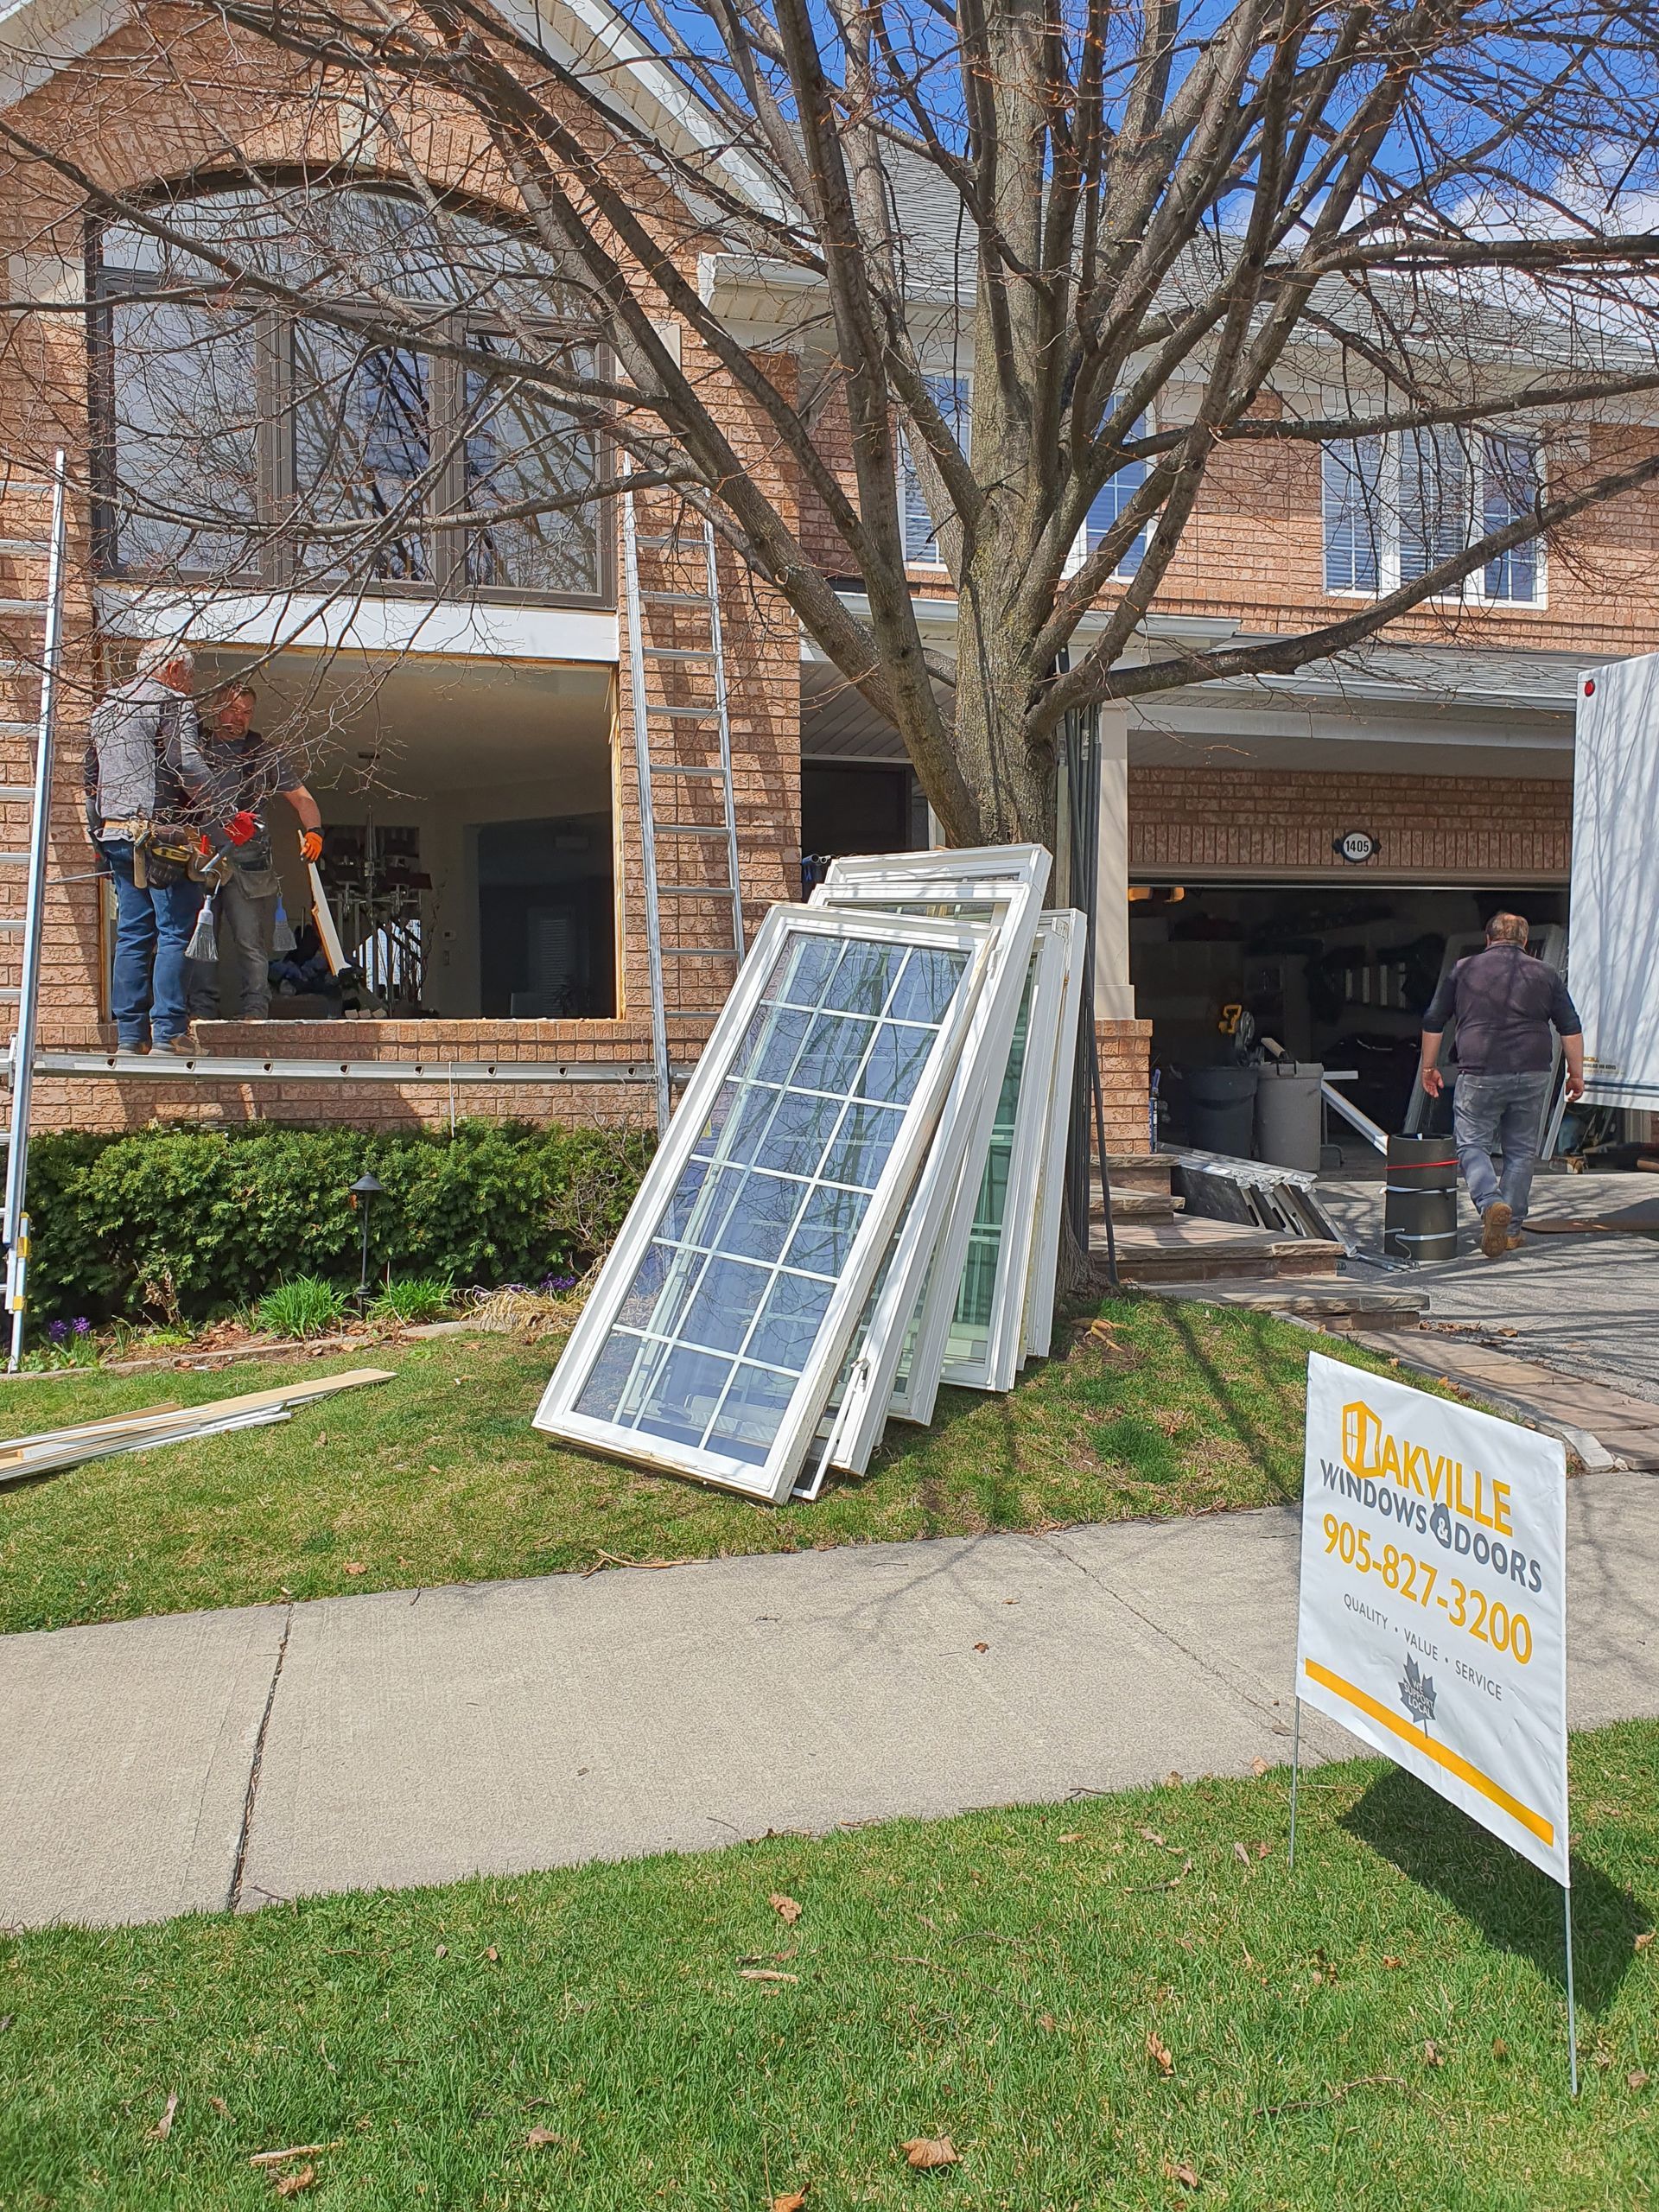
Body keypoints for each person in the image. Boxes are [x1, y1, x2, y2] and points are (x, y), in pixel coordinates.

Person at [1420, 912, 1585, 1259]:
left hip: (1480, 1071)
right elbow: (1570, 1026)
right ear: (1525, 943)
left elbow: (1435, 1019)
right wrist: (1576, 1073)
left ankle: (1490, 1203)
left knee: (1470, 1145)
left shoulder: (1464, 970)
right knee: (1521, 1151)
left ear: (1487, 938)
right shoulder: (1546, 973)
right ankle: (1509, 1231)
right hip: (1533, 1071)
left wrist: (1429, 1067)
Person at [86, 638, 213, 1055]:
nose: (190, 687)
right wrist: (226, 810)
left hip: (117, 834)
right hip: (157, 839)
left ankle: (128, 1038)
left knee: (133, 936)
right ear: (174, 668)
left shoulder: (106, 707)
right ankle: (169, 1034)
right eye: (189, 677)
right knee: (176, 931)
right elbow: (187, 765)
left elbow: (91, 781)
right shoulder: (171, 703)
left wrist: (100, 837)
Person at [201, 684, 323, 1020]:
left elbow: (302, 798)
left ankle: (256, 1009)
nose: (238, 718)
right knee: (200, 938)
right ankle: (200, 1010)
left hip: (247, 859)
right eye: (231, 709)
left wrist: (314, 831)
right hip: (202, 857)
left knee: (249, 939)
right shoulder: (197, 746)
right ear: (215, 708)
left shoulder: (261, 752)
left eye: (246, 712)